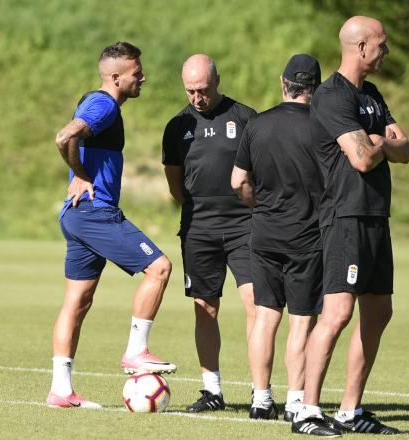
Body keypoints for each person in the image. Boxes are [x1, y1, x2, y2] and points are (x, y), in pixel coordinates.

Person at [293, 16, 409, 436]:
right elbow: (362, 158)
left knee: (379, 311)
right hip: (345, 216)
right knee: (339, 311)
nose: (386, 51)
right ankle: (306, 411)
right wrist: (380, 142)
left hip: (377, 215)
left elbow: (405, 150)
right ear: (360, 47)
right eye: (382, 44)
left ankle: (350, 410)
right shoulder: (330, 97)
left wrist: (379, 141)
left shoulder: (373, 95)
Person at [48, 41, 176, 409]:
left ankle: (61, 390)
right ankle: (136, 352)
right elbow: (64, 136)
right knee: (160, 267)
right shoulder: (103, 104)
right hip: (94, 212)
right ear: (117, 77)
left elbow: (73, 138)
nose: (143, 77)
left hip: (76, 215)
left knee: (78, 302)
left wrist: (79, 172)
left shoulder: (98, 103)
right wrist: (81, 173)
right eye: (137, 73)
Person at [231, 54, 324, 422]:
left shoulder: (257, 124)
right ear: (314, 89)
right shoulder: (324, 126)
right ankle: (296, 402)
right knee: (301, 321)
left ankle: (260, 399)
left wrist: (259, 205)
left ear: (283, 83)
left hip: (264, 234)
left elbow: (238, 181)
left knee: (265, 317)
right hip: (308, 235)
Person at [162, 54, 257, 412]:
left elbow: (260, 172)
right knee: (205, 308)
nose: (196, 97)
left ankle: (259, 391)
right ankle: (212, 391)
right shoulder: (177, 126)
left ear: (217, 81)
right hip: (198, 228)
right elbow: (175, 186)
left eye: (202, 89)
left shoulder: (246, 118)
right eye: (190, 91)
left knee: (256, 304)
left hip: (245, 226)